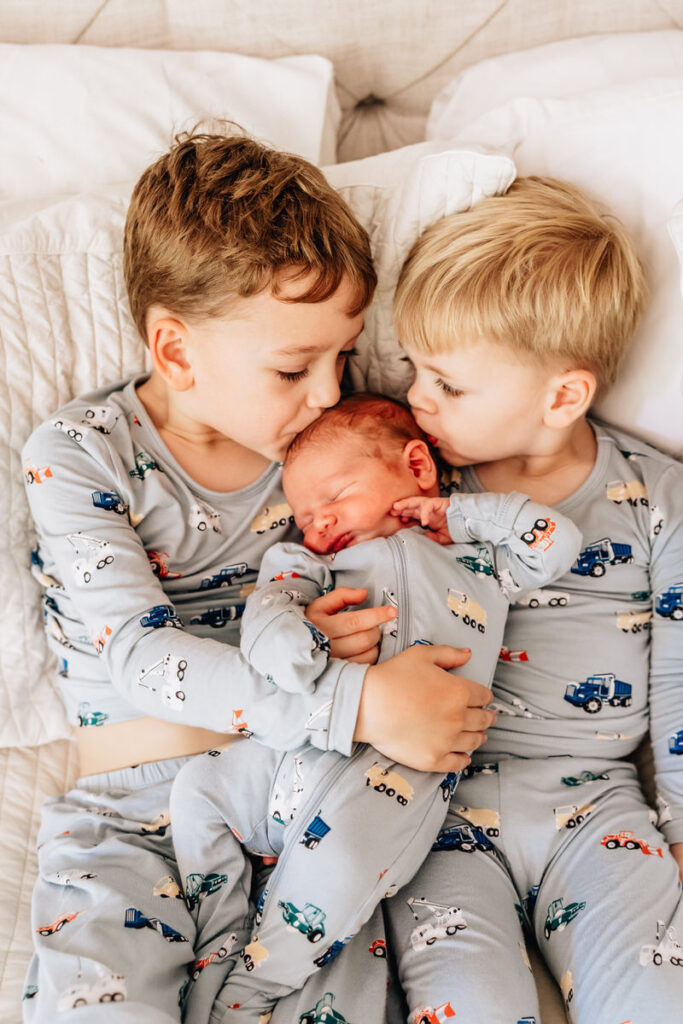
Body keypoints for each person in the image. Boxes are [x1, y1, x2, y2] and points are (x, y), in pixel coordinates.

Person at [20, 130, 493, 1023]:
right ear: (175, 351)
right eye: (292, 367)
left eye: (342, 358)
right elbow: (142, 659)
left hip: (307, 809)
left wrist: (361, 645)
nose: (326, 394)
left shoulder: (329, 465)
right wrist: (349, 698)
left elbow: (432, 568)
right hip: (134, 821)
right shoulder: (84, 454)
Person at [169, 391, 582, 1024]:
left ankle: (242, 997)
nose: (318, 524)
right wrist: (294, 636)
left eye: (333, 499)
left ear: (417, 468)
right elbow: (269, 613)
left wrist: (460, 514)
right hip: (292, 752)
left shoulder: (479, 561)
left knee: (331, 880)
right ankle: (217, 931)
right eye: (305, 515)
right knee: (199, 785)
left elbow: (554, 540)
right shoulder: (310, 562)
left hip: (395, 783)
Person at [383, 175, 683, 1024]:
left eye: (448, 383)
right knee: (465, 1002)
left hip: (596, 802)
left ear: (561, 396)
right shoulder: (418, 486)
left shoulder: (656, 498)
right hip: (436, 807)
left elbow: (679, 683)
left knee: (656, 993)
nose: (416, 398)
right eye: (413, 368)